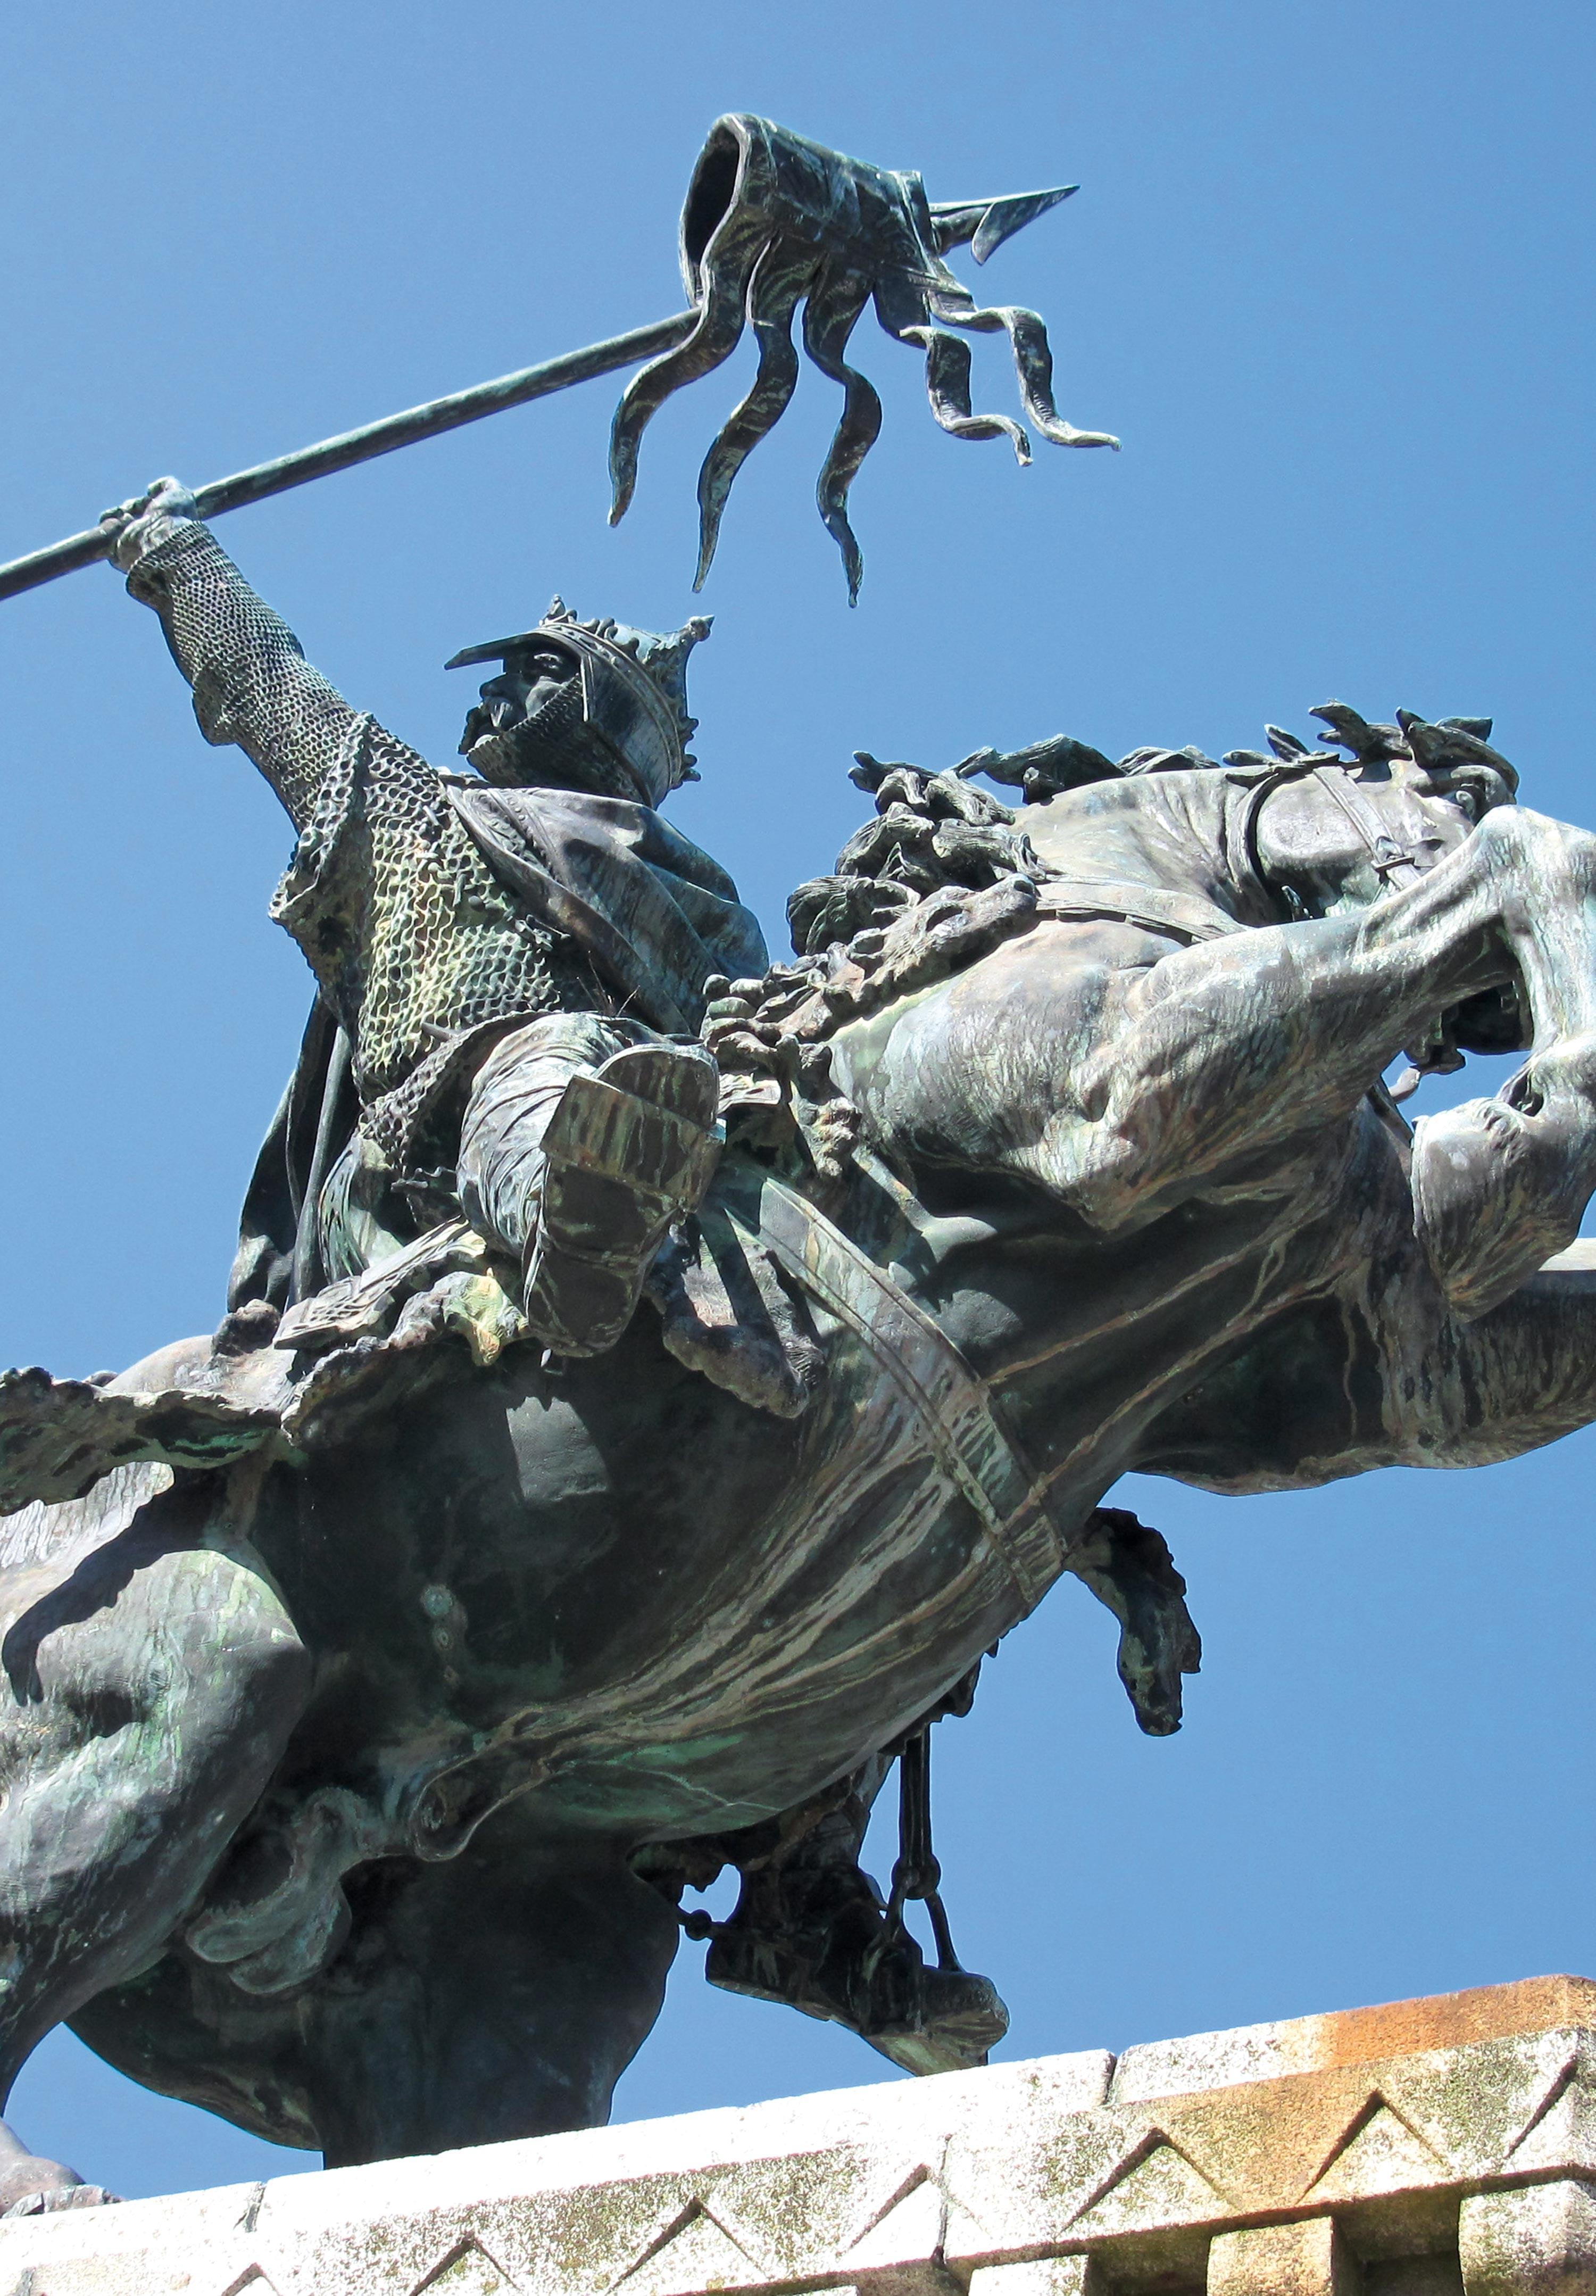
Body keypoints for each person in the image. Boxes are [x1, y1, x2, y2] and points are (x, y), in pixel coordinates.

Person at [101, 479, 769, 1357]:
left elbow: (738, 1018)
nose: (492, 691)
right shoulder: (404, 803)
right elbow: (265, 684)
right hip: (377, 1184)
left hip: (544, 1077)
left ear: (594, 713)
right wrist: (178, 555)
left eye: (530, 675)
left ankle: (580, 1226)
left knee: (542, 1069)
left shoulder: (666, 878)